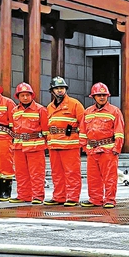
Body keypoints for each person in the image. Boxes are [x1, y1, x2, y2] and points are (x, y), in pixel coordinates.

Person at [80, 83, 124, 208]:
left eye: (104, 95)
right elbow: (83, 131)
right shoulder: (87, 112)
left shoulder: (114, 111)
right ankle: (95, 199)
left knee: (110, 176)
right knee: (93, 177)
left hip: (108, 149)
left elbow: (119, 131)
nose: (102, 97)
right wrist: (84, 147)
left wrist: (117, 148)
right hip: (92, 150)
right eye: (99, 95)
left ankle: (110, 199)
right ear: (93, 96)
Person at [44, 77, 85, 207]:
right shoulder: (50, 107)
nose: (60, 90)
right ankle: (59, 196)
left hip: (70, 144)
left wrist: (83, 142)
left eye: (62, 88)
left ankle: (72, 197)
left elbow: (83, 124)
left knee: (72, 172)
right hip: (54, 145)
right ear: (52, 91)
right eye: (57, 88)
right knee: (57, 173)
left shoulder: (75, 104)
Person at [10, 83, 49, 204]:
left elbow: (46, 131)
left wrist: (46, 145)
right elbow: (13, 129)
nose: (25, 98)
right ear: (18, 97)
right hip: (18, 147)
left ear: (32, 95)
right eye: (22, 95)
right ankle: (23, 195)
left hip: (35, 146)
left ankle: (37, 196)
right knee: (21, 173)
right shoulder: (14, 111)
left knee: (36, 173)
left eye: (27, 95)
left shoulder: (40, 109)